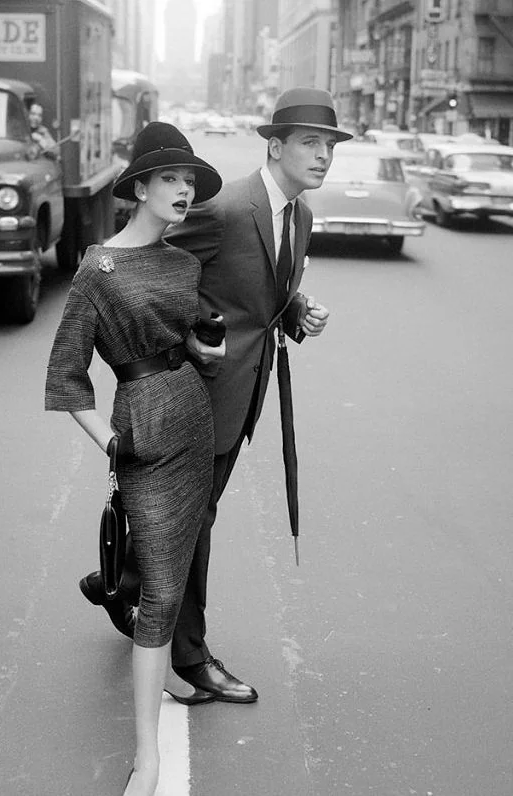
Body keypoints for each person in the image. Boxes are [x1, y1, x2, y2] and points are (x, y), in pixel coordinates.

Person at [45, 122, 223, 796]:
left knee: (172, 576)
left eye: (189, 180)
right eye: (171, 178)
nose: (183, 190)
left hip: (194, 418)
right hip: (142, 433)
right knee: (158, 592)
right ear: (139, 187)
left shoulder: (182, 265)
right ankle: (146, 760)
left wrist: (204, 349)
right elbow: (65, 378)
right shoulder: (99, 271)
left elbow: (189, 345)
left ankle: (129, 604)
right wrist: (112, 441)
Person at [164, 88, 353, 702]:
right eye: (310, 144)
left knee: (193, 513)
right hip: (196, 390)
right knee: (196, 519)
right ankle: (189, 656)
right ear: (275, 147)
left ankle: (118, 581)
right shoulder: (224, 208)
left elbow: (263, 294)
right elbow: (156, 273)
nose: (323, 156)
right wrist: (194, 335)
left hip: (245, 392)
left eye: (329, 146)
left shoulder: (301, 216)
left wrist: (299, 311)